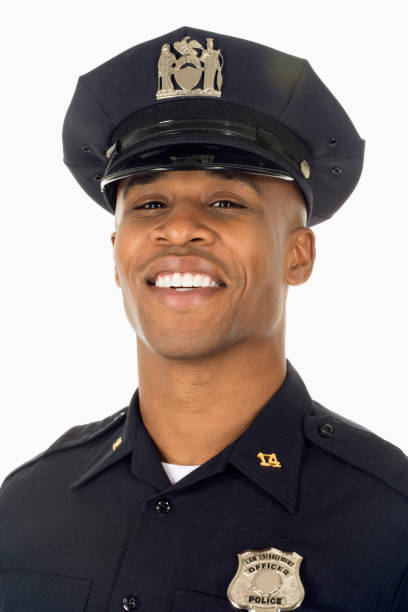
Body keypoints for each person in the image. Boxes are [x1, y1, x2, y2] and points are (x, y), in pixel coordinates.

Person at [0, 25, 407, 612]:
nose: (179, 227)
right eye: (149, 204)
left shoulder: (390, 522)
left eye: (226, 202)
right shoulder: (26, 502)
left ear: (298, 255)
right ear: (117, 254)